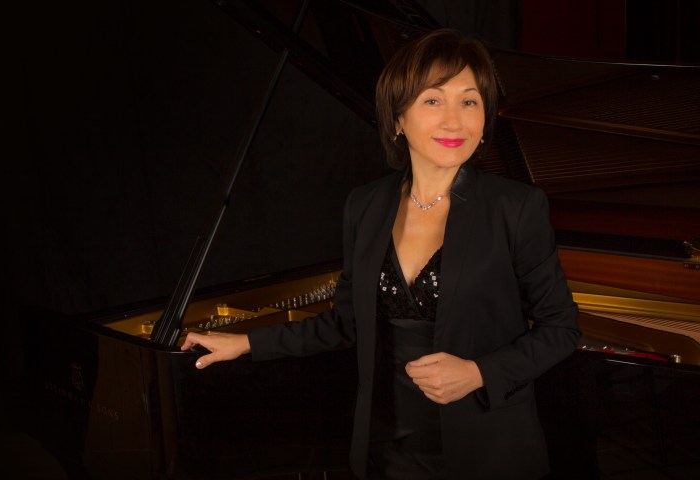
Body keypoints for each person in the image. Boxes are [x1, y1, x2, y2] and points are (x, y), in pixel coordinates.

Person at [181, 28, 581, 479]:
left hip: (486, 445)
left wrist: (480, 373)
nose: (455, 120)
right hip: (387, 445)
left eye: (469, 101)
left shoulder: (517, 207)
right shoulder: (365, 205)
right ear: (397, 119)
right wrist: (245, 343)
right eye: (433, 100)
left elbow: (561, 328)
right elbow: (345, 323)